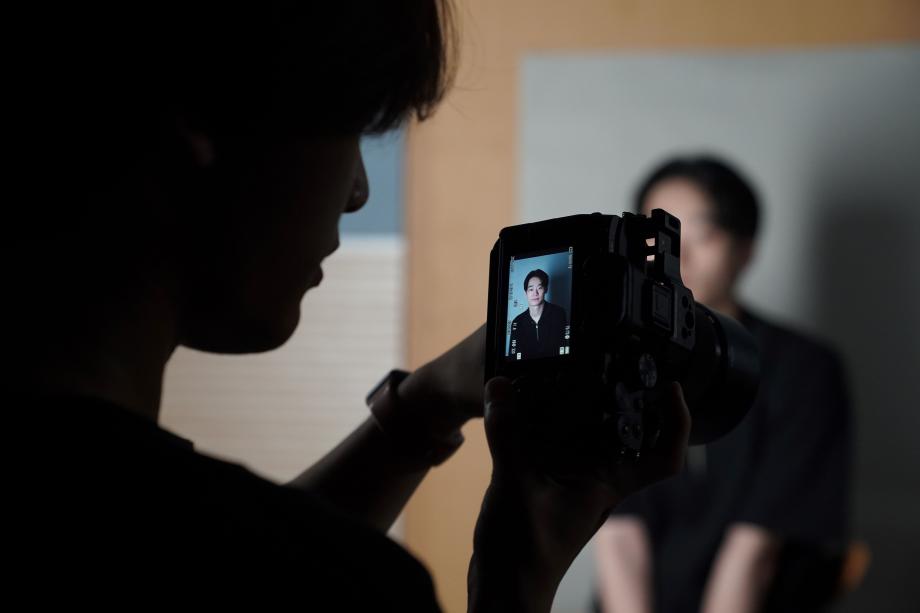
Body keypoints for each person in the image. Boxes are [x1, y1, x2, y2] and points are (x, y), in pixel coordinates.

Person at [9, 4, 690, 610]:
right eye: (355, 129)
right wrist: (516, 580)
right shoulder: (359, 582)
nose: (358, 192)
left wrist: (425, 402)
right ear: (202, 119)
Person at [595, 156, 851, 613]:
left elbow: (754, 550)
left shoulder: (804, 368)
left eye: (703, 235)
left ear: (745, 249)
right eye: (659, 238)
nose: (678, 257)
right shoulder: (615, 361)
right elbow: (619, 537)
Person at [509, 269, 568, 359]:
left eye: (539, 288)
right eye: (531, 289)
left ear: (546, 289)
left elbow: (565, 346)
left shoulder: (559, 314)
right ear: (526, 292)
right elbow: (513, 357)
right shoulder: (517, 322)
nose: (535, 293)